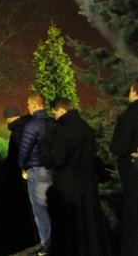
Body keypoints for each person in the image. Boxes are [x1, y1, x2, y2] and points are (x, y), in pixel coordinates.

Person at [47, 96, 110, 255]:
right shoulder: (86, 128)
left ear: (61, 110)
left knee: (70, 229)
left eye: (55, 114)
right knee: (89, 225)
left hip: (68, 186)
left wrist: (46, 153)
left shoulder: (63, 130)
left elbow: (59, 160)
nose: (55, 117)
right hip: (87, 184)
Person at [0, 106, 37, 255]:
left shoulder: (17, 132)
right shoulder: (29, 125)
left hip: (23, 175)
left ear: (7, 119)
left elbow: (16, 156)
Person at [18, 92, 52, 256]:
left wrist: (22, 165)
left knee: (40, 209)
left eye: (29, 105)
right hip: (51, 169)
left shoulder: (32, 125)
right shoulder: (52, 123)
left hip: (36, 171)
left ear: (35, 104)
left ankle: (46, 244)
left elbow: (25, 149)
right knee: (51, 207)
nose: (28, 108)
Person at [110, 81, 138, 256]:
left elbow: (118, 147)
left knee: (132, 213)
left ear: (135, 92)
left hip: (133, 172)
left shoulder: (128, 117)